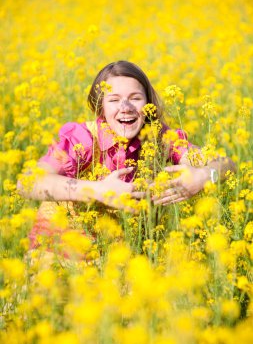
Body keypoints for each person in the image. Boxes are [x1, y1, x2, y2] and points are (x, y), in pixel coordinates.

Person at [18, 60, 235, 251]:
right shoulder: (82, 139)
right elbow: (27, 183)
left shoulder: (159, 139)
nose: (125, 107)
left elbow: (227, 165)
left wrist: (204, 177)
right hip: (59, 255)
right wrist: (98, 190)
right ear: (100, 106)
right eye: (113, 100)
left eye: (135, 98)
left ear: (148, 104)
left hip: (118, 261)